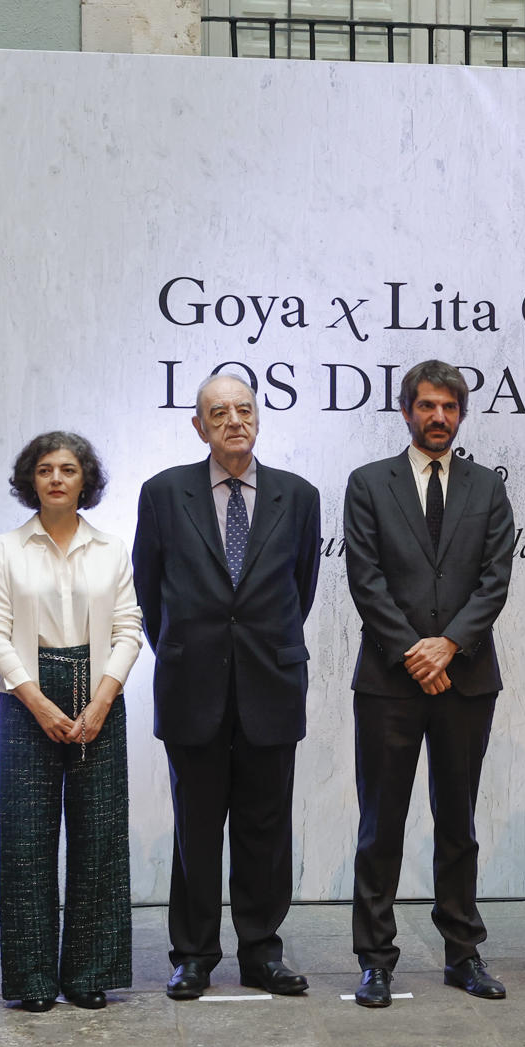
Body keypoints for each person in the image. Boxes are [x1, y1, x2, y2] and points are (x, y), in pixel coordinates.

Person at [133, 373, 321, 1001]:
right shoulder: (163, 493)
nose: (234, 421)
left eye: (244, 410)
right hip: (193, 685)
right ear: (199, 426)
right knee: (196, 826)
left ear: (259, 418)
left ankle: (262, 951)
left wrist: (257, 648)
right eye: (219, 413)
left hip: (271, 681)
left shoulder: (297, 495)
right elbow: (150, 587)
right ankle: (192, 954)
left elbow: (302, 587)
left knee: (266, 828)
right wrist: (191, 652)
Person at [345, 360, 516, 1008]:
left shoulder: (486, 488)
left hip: (466, 679)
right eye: (426, 406)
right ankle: (375, 959)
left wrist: (449, 645)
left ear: (461, 413)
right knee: (379, 825)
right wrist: (413, 651)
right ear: (406, 410)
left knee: (459, 823)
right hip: (389, 682)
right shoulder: (369, 484)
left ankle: (463, 952)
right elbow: (366, 578)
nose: (437, 416)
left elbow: (494, 578)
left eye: (448, 406)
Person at [0, 432, 142, 1011]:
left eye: (68, 469)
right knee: (26, 841)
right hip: (27, 700)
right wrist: (38, 702)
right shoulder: (6, 548)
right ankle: (33, 981)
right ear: (30, 480)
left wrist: (100, 702)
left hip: (100, 695)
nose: (55, 479)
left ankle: (88, 975)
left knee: (99, 840)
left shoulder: (111, 549)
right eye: (44, 469)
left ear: (84, 480)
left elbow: (129, 629)